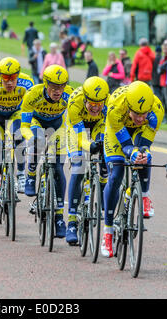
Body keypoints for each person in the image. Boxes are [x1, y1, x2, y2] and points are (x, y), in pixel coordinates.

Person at [101, 81, 164, 257]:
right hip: (117, 131)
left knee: (143, 156)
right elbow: (126, 145)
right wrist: (132, 151)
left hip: (139, 132)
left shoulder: (156, 110)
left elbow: (145, 143)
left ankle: (143, 195)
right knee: (116, 175)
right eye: (136, 113)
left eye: (144, 114)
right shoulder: (115, 106)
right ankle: (107, 232)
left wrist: (143, 153)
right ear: (129, 106)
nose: (140, 117)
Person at [21, 65, 73, 238]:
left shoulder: (69, 95)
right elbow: (24, 126)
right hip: (36, 123)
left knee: (58, 169)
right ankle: (30, 174)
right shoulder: (33, 95)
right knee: (38, 140)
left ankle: (59, 218)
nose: (58, 91)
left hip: (57, 125)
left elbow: (73, 124)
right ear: (45, 83)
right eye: (53, 86)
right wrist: (30, 138)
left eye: (61, 86)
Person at [0, 57, 34, 225]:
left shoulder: (27, 83)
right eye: (5, 79)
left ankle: (20, 173)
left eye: (13, 79)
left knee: (19, 134)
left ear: (18, 75)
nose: (9, 83)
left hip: (16, 114)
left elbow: (31, 110)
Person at [65, 76, 110, 245]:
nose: (96, 107)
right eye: (91, 103)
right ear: (85, 98)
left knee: (107, 151)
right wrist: (88, 145)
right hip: (77, 129)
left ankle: (104, 185)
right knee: (78, 168)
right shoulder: (74, 102)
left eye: (99, 104)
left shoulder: (108, 105)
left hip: (98, 126)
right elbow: (79, 135)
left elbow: (110, 132)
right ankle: (71, 222)